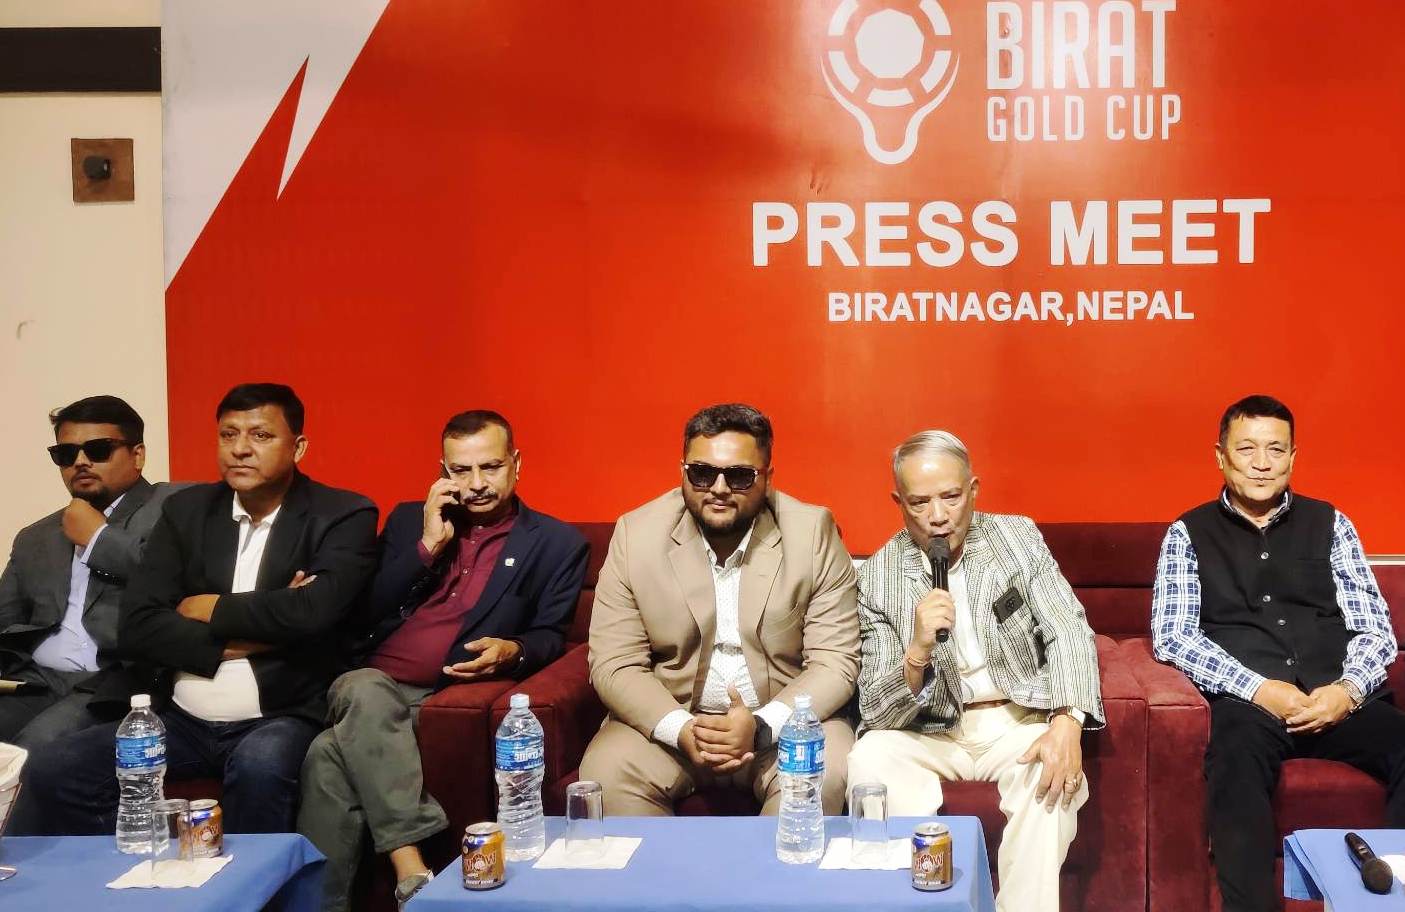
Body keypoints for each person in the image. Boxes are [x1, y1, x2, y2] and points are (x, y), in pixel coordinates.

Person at [18, 383, 378, 836]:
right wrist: (252, 635)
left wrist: (205, 606)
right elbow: (139, 626)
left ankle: (253, 880)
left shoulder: (342, 514)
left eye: (261, 435)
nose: (241, 449)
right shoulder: (187, 511)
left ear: (298, 447)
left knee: (261, 765)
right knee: (55, 767)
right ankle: (137, 871)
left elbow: (313, 613)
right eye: (228, 435)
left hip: (280, 714)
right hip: (178, 716)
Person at [297, 409, 588, 912]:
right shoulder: (409, 521)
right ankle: (410, 867)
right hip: (363, 679)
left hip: (436, 695)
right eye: (460, 470)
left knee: (327, 756)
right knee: (365, 687)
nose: (476, 484)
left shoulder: (557, 544)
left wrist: (512, 651)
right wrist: (428, 545)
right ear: (443, 471)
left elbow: (549, 635)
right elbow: (361, 612)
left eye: (490, 467)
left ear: (517, 464)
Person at [1152, 395, 1402, 912]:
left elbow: (1375, 628)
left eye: (1275, 450)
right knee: (1233, 759)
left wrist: (1347, 690)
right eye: (1247, 449)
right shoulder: (1187, 533)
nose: (1262, 463)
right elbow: (1173, 636)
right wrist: (1258, 689)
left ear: (1293, 457)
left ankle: (1393, 896)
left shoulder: (1331, 523)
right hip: (1250, 706)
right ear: (1220, 456)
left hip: (1337, 698)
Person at [847, 430, 1103, 912]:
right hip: (928, 731)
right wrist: (917, 651)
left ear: (974, 490)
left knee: (1050, 775)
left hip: (1013, 719)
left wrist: (1068, 721)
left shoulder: (1016, 538)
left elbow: (1067, 628)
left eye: (951, 496)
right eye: (920, 502)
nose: (938, 516)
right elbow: (876, 709)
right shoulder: (878, 575)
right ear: (898, 503)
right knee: (869, 759)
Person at [580, 403, 859, 815]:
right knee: (608, 772)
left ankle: (774, 863)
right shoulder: (636, 536)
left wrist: (761, 727)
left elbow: (835, 662)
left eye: (740, 475)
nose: (719, 488)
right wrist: (680, 728)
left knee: (824, 771)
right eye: (702, 473)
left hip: (782, 725)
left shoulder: (812, 533)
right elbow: (614, 662)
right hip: (673, 720)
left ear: (767, 478)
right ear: (682, 471)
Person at [0, 396, 181, 749]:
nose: (80, 462)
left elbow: (172, 579)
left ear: (138, 455)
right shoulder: (36, 537)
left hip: (115, 680)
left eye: (98, 450)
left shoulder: (176, 507)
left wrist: (99, 538)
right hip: (35, 679)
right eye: (66, 454)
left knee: (34, 750)